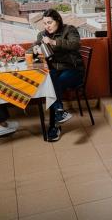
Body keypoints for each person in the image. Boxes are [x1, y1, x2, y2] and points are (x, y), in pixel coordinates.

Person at [32, 9, 84, 142]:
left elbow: (75, 44)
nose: (47, 26)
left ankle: (54, 125)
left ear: (58, 21)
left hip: (73, 70)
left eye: (50, 22)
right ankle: (59, 112)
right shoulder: (42, 35)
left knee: (54, 84)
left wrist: (53, 42)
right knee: (52, 79)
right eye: (44, 23)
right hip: (55, 71)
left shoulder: (69, 30)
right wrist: (34, 50)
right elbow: (34, 47)